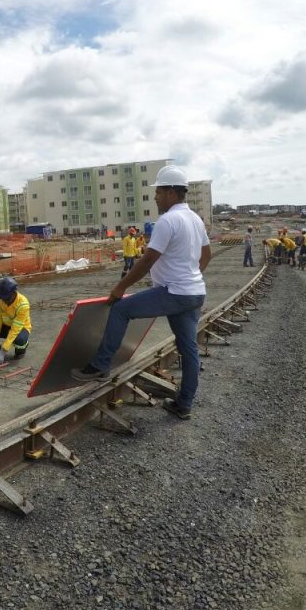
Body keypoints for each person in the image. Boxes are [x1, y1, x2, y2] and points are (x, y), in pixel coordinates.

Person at [70, 165, 211, 420]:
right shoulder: (195, 219)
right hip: (194, 292)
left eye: (158, 191)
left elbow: (147, 261)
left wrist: (120, 287)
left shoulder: (168, 220)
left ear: (170, 192)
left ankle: (100, 365)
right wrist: (191, 275)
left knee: (122, 309)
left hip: (175, 293)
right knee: (189, 349)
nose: (155, 197)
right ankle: (184, 404)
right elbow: (206, 255)